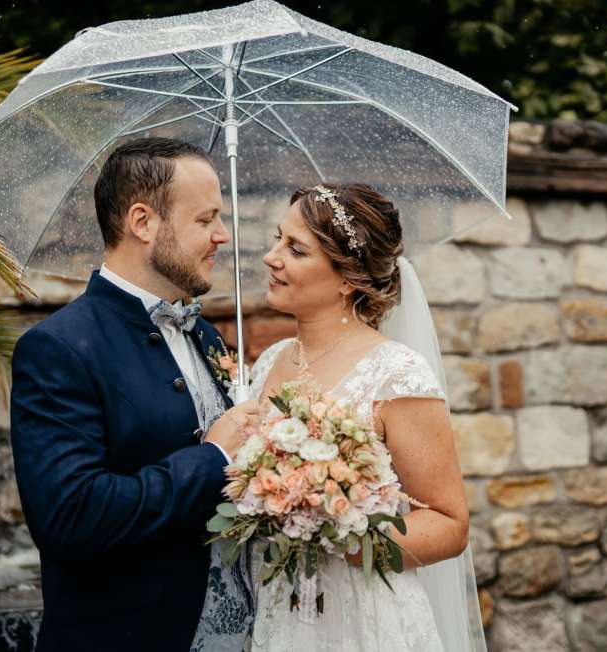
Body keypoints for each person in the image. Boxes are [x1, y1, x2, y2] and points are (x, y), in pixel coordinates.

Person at [193, 183, 485, 651]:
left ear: (347, 278)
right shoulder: (270, 362)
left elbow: (450, 525)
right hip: (274, 605)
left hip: (360, 618)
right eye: (277, 239)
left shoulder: (396, 374)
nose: (271, 257)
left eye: (296, 249)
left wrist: (339, 531)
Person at [10, 137, 258, 652]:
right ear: (142, 222)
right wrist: (215, 458)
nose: (222, 235)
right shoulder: (57, 348)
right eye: (206, 219)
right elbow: (72, 517)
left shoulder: (207, 337)